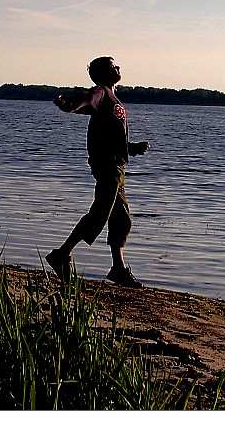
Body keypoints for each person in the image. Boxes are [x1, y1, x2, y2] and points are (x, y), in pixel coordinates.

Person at [45, 56, 149, 288]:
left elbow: (111, 137)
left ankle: (118, 268)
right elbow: (85, 98)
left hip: (117, 165)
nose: (119, 67)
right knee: (100, 213)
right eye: (113, 66)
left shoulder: (113, 99)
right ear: (102, 74)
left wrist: (132, 149)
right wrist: (69, 103)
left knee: (121, 218)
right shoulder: (101, 92)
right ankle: (61, 254)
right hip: (107, 165)